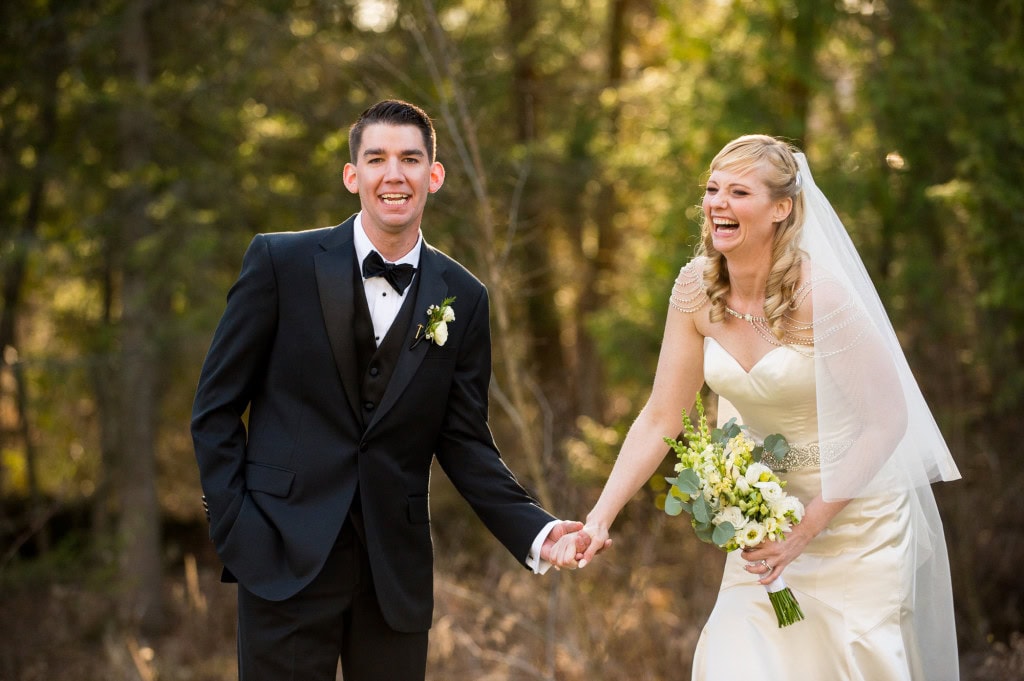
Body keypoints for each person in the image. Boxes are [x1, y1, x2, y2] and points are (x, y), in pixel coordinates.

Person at [191, 99, 591, 681]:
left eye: (409, 158)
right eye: (376, 158)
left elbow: (465, 441)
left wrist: (538, 527)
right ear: (353, 175)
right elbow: (215, 408)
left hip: (393, 574)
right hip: (279, 555)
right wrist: (236, 528)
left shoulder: (466, 296)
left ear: (434, 175)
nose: (393, 174)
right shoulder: (280, 262)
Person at [555, 135, 961, 679]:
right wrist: (600, 518)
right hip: (762, 527)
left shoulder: (823, 297)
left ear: (781, 208)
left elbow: (887, 421)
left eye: (738, 191)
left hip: (855, 522)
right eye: (712, 189)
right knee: (735, 662)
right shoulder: (696, 289)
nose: (718, 202)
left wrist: (805, 530)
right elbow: (660, 417)